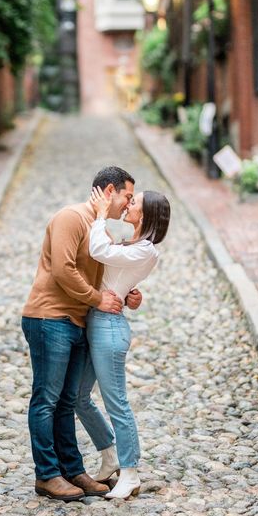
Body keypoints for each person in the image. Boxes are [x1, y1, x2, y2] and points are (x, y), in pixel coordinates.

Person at [21, 166, 143, 502]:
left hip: (77, 322)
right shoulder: (71, 218)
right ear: (108, 192)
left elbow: (107, 276)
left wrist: (128, 293)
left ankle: (72, 470)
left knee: (65, 402)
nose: (128, 204)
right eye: (127, 197)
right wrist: (97, 299)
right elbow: (63, 269)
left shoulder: (101, 229)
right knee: (46, 399)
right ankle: (47, 474)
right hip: (49, 318)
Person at [76, 186, 171, 500]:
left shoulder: (146, 249)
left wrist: (102, 215)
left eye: (134, 202)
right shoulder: (129, 235)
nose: (128, 204)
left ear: (145, 215)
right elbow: (102, 231)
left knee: (117, 402)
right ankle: (110, 453)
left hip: (109, 328)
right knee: (78, 396)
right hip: (95, 320)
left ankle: (129, 473)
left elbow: (99, 249)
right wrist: (101, 210)